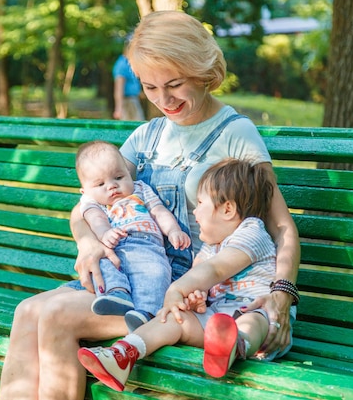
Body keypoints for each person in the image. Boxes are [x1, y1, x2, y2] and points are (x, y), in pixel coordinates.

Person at [0, 10, 300, 400]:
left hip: (192, 292)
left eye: (174, 84)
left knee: (55, 317)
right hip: (135, 274)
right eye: (150, 87)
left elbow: (281, 227)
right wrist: (87, 241)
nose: (163, 100)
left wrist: (282, 293)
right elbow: (88, 201)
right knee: (27, 311)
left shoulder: (235, 133)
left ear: (203, 70)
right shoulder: (148, 136)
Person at [77, 158, 298, 391]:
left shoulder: (252, 231)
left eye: (200, 203)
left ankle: (235, 345)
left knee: (254, 319)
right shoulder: (211, 245)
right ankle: (124, 354)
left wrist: (177, 290)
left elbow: (215, 269)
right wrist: (194, 297)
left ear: (228, 209)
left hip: (259, 318)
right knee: (174, 318)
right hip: (215, 322)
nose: (196, 212)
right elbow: (199, 276)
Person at [75, 140, 191, 329]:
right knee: (105, 264)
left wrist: (173, 230)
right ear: (85, 191)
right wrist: (104, 233)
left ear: (129, 173)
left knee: (157, 273)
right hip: (114, 247)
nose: (112, 186)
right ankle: (116, 294)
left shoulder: (141, 189)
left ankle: (146, 312)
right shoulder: (91, 202)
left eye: (118, 177)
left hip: (148, 247)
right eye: (100, 184)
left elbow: (158, 211)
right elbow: (95, 219)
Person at [112, 37, 145, 121]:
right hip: (127, 101)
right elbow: (119, 87)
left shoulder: (130, 63)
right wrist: (118, 109)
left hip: (133, 100)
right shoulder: (122, 65)